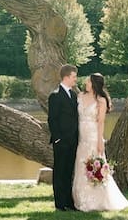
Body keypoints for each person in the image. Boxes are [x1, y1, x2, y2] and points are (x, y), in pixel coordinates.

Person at [72, 72, 128, 212]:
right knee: (80, 164)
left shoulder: (101, 100)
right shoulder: (80, 96)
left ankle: (96, 200)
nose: (86, 84)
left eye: (88, 82)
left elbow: (101, 122)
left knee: (94, 165)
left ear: (95, 84)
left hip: (93, 136)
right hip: (81, 136)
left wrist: (100, 141)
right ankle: (80, 199)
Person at [47, 64, 80, 211]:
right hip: (61, 141)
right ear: (66, 77)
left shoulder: (73, 95)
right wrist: (58, 138)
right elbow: (52, 119)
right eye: (74, 77)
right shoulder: (55, 95)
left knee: (68, 172)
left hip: (73, 140)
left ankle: (68, 202)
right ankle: (59, 203)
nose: (75, 79)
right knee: (59, 172)